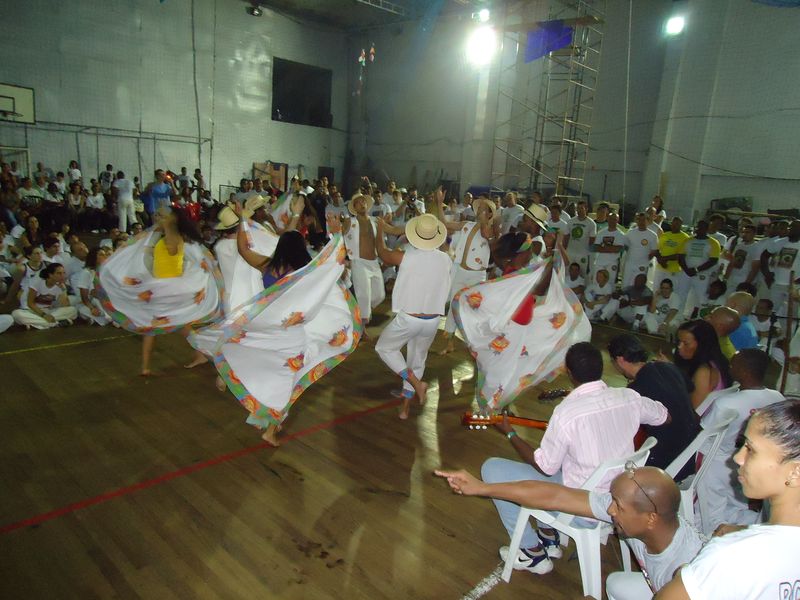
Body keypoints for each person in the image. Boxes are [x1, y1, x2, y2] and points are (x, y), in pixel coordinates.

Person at [479, 342, 669, 576]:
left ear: (569, 373)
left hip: (584, 508)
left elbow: (544, 467)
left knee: (492, 469)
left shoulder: (566, 412)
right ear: (601, 368)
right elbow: (664, 417)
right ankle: (549, 536)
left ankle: (530, 551)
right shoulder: (629, 396)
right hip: (621, 500)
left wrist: (510, 433)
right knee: (566, 465)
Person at [435, 465, 703, 598]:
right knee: (615, 584)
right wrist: (482, 488)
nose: (610, 511)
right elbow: (555, 495)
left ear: (651, 518)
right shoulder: (647, 521)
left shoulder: (690, 570)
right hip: (659, 586)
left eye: (618, 507)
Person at [212, 209, 359, 445]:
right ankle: (270, 429)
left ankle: (253, 400)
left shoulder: (267, 266)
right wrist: (337, 235)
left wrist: (242, 220)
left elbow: (244, 250)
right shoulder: (306, 274)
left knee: (261, 361)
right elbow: (335, 262)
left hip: (268, 329)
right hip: (291, 337)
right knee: (288, 382)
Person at [655, 398, 800, 599]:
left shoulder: (731, 555)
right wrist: (745, 529)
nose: (738, 458)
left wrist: (690, 574)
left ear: (795, 472)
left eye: (751, 450)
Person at [453, 231, 591, 412]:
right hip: (512, 331)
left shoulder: (523, 272)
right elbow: (540, 288)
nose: (531, 253)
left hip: (521, 329)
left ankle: (500, 404)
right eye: (529, 250)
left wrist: (553, 253)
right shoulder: (517, 275)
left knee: (512, 369)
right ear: (521, 253)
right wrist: (552, 257)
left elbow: (542, 284)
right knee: (503, 370)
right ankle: (491, 406)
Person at [96, 206, 223, 376]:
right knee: (176, 325)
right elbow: (144, 248)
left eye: (162, 216)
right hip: (161, 288)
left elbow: (199, 259)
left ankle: (147, 367)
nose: (158, 218)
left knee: (156, 326)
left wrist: (158, 229)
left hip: (167, 289)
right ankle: (201, 355)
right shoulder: (161, 236)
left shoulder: (177, 239)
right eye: (158, 215)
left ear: (172, 220)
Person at [695, 349, 785, 535]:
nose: (729, 367)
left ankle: (712, 535)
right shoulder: (777, 398)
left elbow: (702, 432)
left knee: (708, 512)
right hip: (753, 462)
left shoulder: (726, 403)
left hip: (717, 464)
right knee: (737, 505)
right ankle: (750, 529)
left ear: (744, 371)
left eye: (733, 364)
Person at [374, 213, 451, 419]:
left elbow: (382, 252)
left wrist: (380, 229)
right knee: (417, 361)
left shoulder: (406, 256)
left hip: (409, 320)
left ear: (414, 235)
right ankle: (405, 408)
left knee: (384, 348)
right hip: (433, 321)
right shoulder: (446, 259)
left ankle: (417, 384)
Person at [608, 334, 699, 479]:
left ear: (620, 360)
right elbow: (690, 387)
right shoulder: (668, 367)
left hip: (665, 465)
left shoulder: (635, 391)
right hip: (691, 452)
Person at [436, 192, 497, 355]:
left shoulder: (490, 231)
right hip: (461, 272)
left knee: (474, 309)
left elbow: (489, 238)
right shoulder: (467, 224)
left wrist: (488, 223)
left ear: (489, 214)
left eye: (484, 209)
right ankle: (449, 342)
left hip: (477, 276)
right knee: (454, 306)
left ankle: (475, 343)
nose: (480, 211)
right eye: (479, 209)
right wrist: (439, 203)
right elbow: (444, 223)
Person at [673, 319, 732, 411]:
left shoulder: (704, 372)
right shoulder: (718, 360)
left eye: (686, 343)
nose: (679, 347)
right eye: (678, 342)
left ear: (702, 344)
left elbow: (694, 410)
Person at [11, 262, 78, 329]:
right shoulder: (37, 283)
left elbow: (65, 305)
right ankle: (55, 323)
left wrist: (64, 290)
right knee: (16, 314)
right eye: (59, 273)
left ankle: (39, 324)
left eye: (64, 273)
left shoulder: (61, 286)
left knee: (73, 310)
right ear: (50, 275)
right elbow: (30, 304)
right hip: (33, 311)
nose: (62, 276)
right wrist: (44, 315)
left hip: (49, 311)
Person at [676, 220, 721, 315]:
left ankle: (700, 317)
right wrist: (686, 270)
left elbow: (713, 260)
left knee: (701, 297)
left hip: (702, 274)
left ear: (707, 229)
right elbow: (680, 257)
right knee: (680, 295)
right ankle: (677, 317)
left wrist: (697, 270)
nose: (699, 229)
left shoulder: (713, 243)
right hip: (686, 273)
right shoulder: (687, 240)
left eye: (702, 227)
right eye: (698, 227)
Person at [760, 219, 800, 320]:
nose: (790, 229)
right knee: (772, 312)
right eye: (790, 227)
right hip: (777, 283)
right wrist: (767, 273)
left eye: (794, 227)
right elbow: (764, 256)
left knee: (791, 315)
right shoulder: (779, 242)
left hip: (794, 286)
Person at [75, 247, 113, 326]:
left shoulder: (105, 271)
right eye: (101, 255)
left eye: (105, 254)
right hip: (93, 301)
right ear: (94, 257)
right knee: (85, 309)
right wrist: (92, 308)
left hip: (107, 300)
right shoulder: (86, 273)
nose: (105, 257)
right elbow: (84, 298)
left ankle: (106, 316)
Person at [623, 212, 659, 287]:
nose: (641, 222)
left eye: (643, 220)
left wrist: (645, 261)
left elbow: (654, 251)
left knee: (639, 285)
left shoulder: (653, 235)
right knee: (626, 284)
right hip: (630, 264)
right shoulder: (630, 233)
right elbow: (625, 246)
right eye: (639, 220)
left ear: (648, 221)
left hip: (642, 265)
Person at [654, 217, 690, 290]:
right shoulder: (665, 235)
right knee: (657, 289)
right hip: (660, 268)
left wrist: (664, 259)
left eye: (677, 224)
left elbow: (681, 255)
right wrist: (660, 261)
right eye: (673, 223)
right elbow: (657, 249)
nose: (674, 225)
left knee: (671, 292)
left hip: (674, 270)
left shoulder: (685, 238)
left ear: (681, 225)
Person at [590, 211, 626, 284]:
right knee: (596, 282)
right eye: (610, 219)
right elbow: (596, 247)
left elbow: (617, 249)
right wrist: (611, 248)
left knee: (610, 283)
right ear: (607, 219)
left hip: (612, 262)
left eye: (614, 219)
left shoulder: (621, 235)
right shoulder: (601, 233)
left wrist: (604, 246)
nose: (612, 221)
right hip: (600, 262)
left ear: (618, 221)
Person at [722, 222, 758, 292]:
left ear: (754, 234)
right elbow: (732, 263)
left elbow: (755, 269)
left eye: (747, 232)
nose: (744, 234)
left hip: (744, 280)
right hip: (732, 279)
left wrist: (747, 283)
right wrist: (725, 278)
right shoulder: (739, 246)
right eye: (743, 232)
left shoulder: (757, 247)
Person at [564, 199, 597, 276]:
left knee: (582, 274)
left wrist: (589, 255)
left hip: (583, 254)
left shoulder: (591, 223)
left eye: (581, 208)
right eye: (578, 208)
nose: (579, 210)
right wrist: (564, 251)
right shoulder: (570, 221)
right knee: (567, 273)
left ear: (586, 209)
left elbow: (592, 241)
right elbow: (566, 237)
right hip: (570, 253)